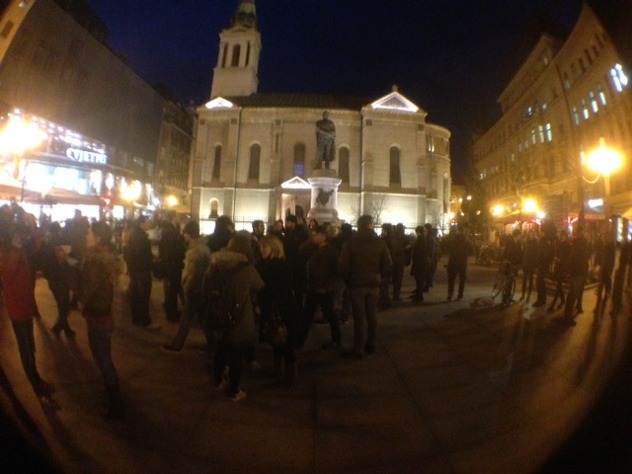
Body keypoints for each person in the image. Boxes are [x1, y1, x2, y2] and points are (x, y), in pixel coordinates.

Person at [0, 212, 57, 407]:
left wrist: (32, 226)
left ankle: (38, 380)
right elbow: (6, 274)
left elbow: (34, 249)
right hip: (17, 306)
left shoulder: (16, 247)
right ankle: (38, 388)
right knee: (25, 349)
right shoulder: (5, 250)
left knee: (30, 346)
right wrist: (16, 250)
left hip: (25, 303)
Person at [209, 232, 264, 401]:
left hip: (219, 312)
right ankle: (234, 389)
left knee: (221, 348)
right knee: (236, 352)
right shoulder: (247, 268)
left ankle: (218, 381)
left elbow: (206, 285)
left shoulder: (215, 263)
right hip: (239, 314)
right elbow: (260, 286)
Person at [79, 221, 125, 419]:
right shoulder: (104, 258)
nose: (86, 235)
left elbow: (86, 292)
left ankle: (116, 404)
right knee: (104, 359)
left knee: (103, 361)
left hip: (97, 316)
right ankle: (114, 399)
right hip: (103, 314)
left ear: (98, 238)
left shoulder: (95, 262)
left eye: (89, 233)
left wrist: (68, 274)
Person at [338, 215, 392, 359]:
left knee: (359, 317)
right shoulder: (380, 242)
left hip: (356, 284)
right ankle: (372, 344)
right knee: (372, 315)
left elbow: (342, 265)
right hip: (373, 283)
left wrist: (348, 280)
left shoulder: (351, 242)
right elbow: (387, 264)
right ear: (370, 224)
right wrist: (379, 276)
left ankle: (358, 348)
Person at [162, 221, 212, 353]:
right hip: (202, 287)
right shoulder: (203, 247)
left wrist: (186, 288)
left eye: (185, 233)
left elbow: (190, 274)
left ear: (189, 234)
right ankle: (213, 345)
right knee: (203, 319)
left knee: (187, 318)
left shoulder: (195, 251)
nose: (183, 236)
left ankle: (177, 345)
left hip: (195, 288)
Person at [256, 236, 298, 385]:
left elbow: (280, 289)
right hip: (272, 307)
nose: (261, 250)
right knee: (275, 340)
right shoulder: (263, 264)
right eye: (260, 247)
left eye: (264, 247)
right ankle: (277, 370)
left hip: (282, 308)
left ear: (273, 248)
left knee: (285, 341)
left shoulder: (280, 265)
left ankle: (290, 375)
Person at [298, 225, 341, 349]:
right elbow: (301, 250)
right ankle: (300, 340)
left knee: (330, 315)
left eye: (316, 234)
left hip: (324, 289)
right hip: (313, 287)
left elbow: (336, 272)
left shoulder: (331, 251)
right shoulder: (314, 248)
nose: (314, 237)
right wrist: (311, 241)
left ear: (323, 236)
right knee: (307, 315)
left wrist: (327, 287)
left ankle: (336, 339)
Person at [40, 221, 75, 338]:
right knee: (64, 304)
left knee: (61, 304)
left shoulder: (46, 242)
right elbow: (64, 258)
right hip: (61, 277)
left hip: (52, 277)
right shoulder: (60, 241)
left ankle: (64, 328)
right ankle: (59, 327)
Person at [125, 216, 160, 329]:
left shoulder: (134, 234)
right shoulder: (141, 237)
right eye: (147, 222)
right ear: (141, 223)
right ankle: (145, 321)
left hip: (135, 269)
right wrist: (152, 259)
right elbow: (142, 254)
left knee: (135, 295)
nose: (149, 224)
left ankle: (136, 319)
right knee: (143, 296)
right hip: (142, 270)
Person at [157, 220, 185, 322]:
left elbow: (161, 251)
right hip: (175, 265)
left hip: (168, 265)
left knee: (171, 289)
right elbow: (180, 251)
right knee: (174, 289)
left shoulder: (164, 236)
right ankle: (171, 313)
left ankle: (171, 311)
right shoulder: (174, 235)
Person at [563, 225, 591, 326]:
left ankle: (567, 315)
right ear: (581, 233)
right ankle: (568, 318)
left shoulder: (575, 243)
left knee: (572, 295)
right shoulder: (581, 243)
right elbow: (583, 257)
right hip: (578, 272)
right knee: (572, 295)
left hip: (577, 272)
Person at [445, 225, 473, 301]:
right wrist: (465, 255)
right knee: (462, 279)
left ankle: (450, 294)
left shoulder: (454, 239)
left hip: (454, 261)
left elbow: (449, 248)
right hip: (463, 262)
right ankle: (460, 294)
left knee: (451, 279)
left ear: (458, 230)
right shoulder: (467, 240)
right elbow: (471, 251)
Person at [547, 230, 571, 312]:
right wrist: (556, 258)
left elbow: (568, 258)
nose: (562, 237)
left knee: (558, 286)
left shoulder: (568, 245)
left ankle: (553, 304)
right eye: (561, 236)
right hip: (558, 267)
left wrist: (561, 260)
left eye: (563, 236)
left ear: (566, 237)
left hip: (563, 268)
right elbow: (556, 253)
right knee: (559, 285)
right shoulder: (560, 244)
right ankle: (563, 300)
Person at [593, 231, 616, 314]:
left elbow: (611, 261)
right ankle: (599, 307)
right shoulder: (605, 246)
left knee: (604, 289)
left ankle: (601, 307)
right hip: (604, 270)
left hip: (606, 271)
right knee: (601, 289)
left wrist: (608, 270)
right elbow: (601, 257)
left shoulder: (611, 247)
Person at [410, 225, 427, 302]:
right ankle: (418, 294)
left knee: (419, 280)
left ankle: (419, 296)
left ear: (418, 232)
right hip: (420, 262)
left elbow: (420, 252)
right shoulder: (421, 239)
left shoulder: (421, 240)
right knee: (418, 279)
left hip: (420, 263)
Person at [519, 230, 537, 302]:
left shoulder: (535, 243)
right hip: (526, 263)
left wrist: (534, 264)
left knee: (530, 280)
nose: (530, 236)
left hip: (531, 264)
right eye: (530, 234)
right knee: (524, 280)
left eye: (532, 234)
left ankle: (528, 295)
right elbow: (524, 252)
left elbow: (536, 254)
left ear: (533, 235)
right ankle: (523, 294)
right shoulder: (526, 242)